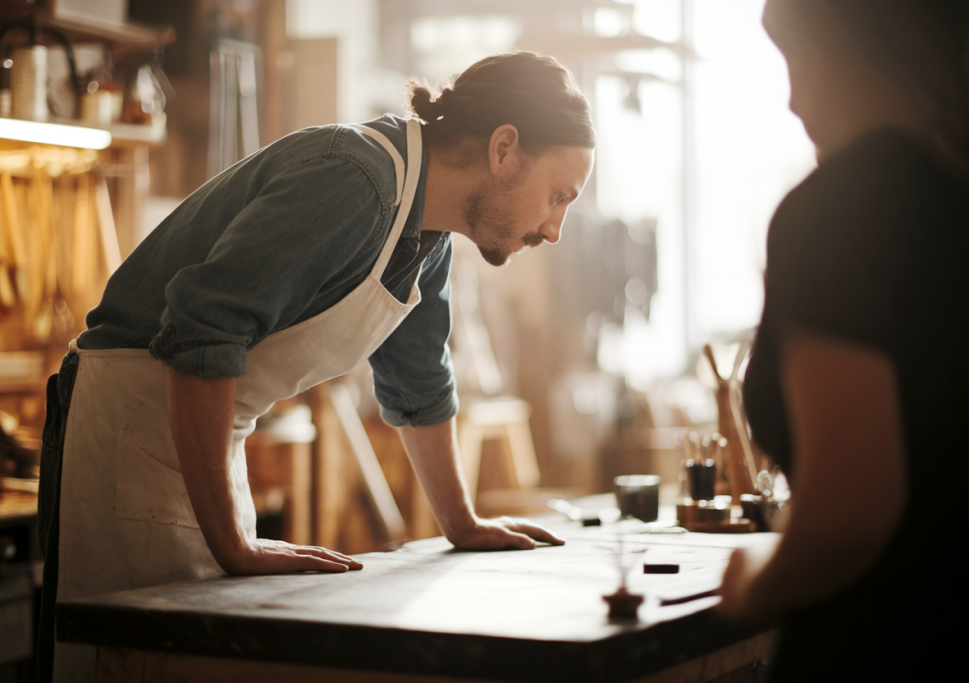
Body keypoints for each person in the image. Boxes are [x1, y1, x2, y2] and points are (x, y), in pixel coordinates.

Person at [38, 51, 595, 681]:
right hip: (129, 431)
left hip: (203, 443)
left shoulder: (428, 238)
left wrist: (462, 525)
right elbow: (203, 329)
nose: (554, 229)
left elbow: (418, 384)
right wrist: (232, 544)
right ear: (503, 149)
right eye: (557, 196)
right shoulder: (353, 178)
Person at [719, 0, 968, 679]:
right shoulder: (947, 187)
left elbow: (847, 515)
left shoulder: (838, 208)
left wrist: (750, 583)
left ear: (855, 42)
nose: (794, 100)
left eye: (795, 59)